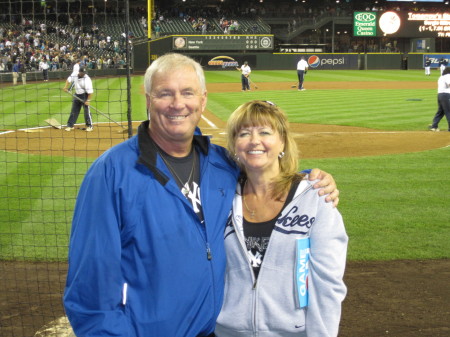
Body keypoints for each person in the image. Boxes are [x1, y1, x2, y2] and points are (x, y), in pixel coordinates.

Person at [63, 53, 339, 337]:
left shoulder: (221, 164)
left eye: (187, 93)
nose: (177, 104)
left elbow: (264, 175)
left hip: (214, 332)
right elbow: (90, 288)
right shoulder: (111, 173)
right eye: (164, 94)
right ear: (148, 99)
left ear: (203, 100)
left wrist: (307, 180)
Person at [215, 100, 348, 336]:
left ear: (282, 142)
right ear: (235, 145)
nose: (255, 141)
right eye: (244, 133)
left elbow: (327, 284)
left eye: (265, 132)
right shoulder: (220, 198)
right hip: (228, 330)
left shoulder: (315, 198)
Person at [62, 67, 94, 132]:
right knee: (74, 110)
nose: (84, 74)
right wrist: (65, 87)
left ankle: (89, 126)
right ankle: (70, 125)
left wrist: (88, 100)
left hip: (85, 95)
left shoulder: (87, 79)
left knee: (86, 111)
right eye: (83, 73)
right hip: (77, 95)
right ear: (79, 72)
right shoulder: (75, 74)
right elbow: (68, 80)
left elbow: (90, 92)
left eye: (85, 73)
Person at [429, 66, 450, 132]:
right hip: (446, 95)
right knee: (448, 111)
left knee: (440, 111)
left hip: (440, 95)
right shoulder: (448, 76)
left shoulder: (441, 77)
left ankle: (434, 126)